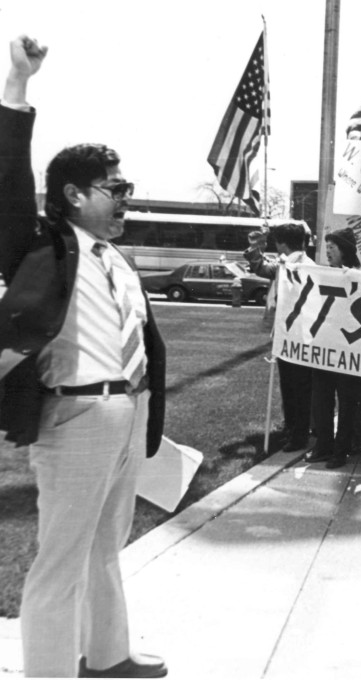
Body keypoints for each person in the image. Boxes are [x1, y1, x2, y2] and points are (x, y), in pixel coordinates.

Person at [0, 37, 168, 678]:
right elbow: (10, 182)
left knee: (106, 545)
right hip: (73, 418)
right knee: (62, 558)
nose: (124, 196)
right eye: (114, 187)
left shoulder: (119, 261)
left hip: (127, 413)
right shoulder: (40, 245)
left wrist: (147, 405)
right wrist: (17, 87)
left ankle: (109, 655)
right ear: (73, 195)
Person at [245, 221, 315, 453]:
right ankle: (292, 428)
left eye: (276, 241)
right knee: (288, 387)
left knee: (299, 390)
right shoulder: (283, 264)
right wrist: (256, 248)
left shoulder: (306, 266)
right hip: (286, 337)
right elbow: (260, 267)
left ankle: (299, 435)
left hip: (301, 338)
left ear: (282, 243)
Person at [305, 229, 361, 468]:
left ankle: (340, 450)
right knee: (321, 401)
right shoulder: (324, 275)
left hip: (349, 351)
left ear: (346, 250)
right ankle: (323, 445)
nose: (328, 252)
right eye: (327, 247)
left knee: (348, 403)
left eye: (333, 247)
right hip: (325, 349)